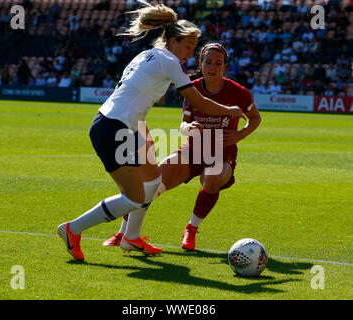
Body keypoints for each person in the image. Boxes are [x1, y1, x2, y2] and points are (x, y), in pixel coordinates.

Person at [57, 3, 245, 260]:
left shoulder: (146, 55)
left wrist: (143, 136)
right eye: (189, 47)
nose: (190, 55)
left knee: (153, 180)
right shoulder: (169, 61)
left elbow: (133, 95)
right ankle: (72, 229)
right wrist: (230, 111)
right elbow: (198, 101)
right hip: (113, 130)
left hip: (117, 124)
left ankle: (131, 239)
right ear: (173, 41)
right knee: (134, 197)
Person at [103, 42, 261, 251]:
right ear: (201, 63)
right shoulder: (192, 87)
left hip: (221, 154)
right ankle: (124, 232)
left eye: (218, 63)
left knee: (212, 179)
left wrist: (239, 135)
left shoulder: (238, 92)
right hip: (191, 151)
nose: (212, 67)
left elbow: (255, 118)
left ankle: (191, 229)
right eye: (208, 62)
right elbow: (183, 124)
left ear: (225, 66)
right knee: (151, 185)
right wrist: (188, 128)